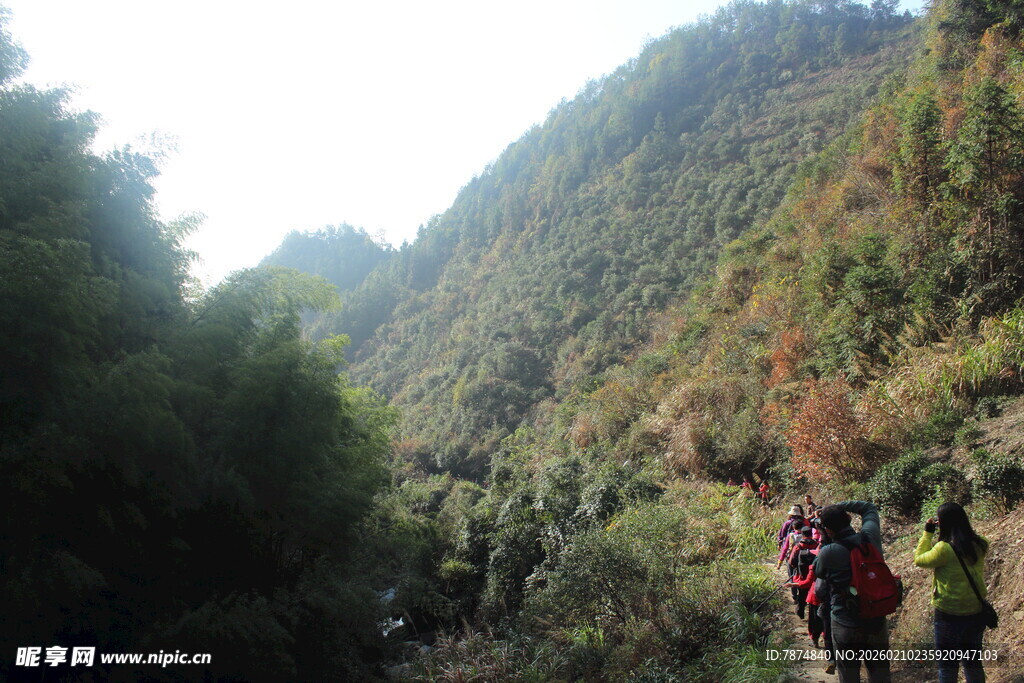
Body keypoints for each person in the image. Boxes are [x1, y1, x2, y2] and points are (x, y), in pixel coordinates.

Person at [813, 501, 891, 683]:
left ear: (827, 529)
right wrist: (837, 506)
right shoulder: (870, 538)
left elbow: (818, 571)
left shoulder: (829, 552)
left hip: (844, 621)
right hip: (875, 616)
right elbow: (869, 508)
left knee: (848, 676)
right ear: (848, 518)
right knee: (880, 675)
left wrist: (825, 538)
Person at [913, 502, 990, 683]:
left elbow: (919, 559)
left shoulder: (944, 549)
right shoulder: (981, 543)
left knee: (948, 667)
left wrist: (928, 533)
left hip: (949, 613)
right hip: (976, 610)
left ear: (944, 523)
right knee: (973, 663)